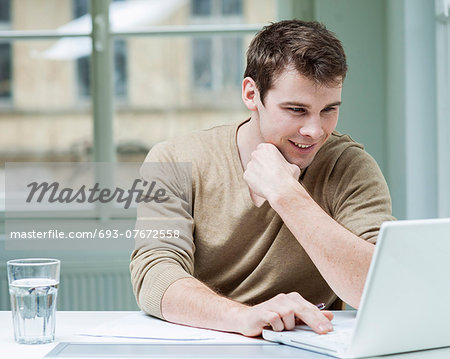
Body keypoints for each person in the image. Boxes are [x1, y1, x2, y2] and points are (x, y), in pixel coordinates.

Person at [130, 19, 395, 337]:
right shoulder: (172, 159)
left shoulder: (350, 165)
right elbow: (154, 275)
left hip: (310, 347)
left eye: (328, 109)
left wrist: (286, 193)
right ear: (251, 93)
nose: (315, 130)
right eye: (297, 110)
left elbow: (380, 288)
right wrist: (243, 317)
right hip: (209, 340)